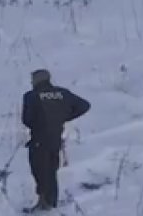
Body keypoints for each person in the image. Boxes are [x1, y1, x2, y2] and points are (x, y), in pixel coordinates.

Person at [21, 70, 90, 212]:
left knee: (39, 169)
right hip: (55, 138)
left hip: (39, 138)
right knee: (51, 170)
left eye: (32, 79)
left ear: (37, 80)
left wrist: (39, 123)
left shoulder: (31, 96)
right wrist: (63, 117)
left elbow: (27, 120)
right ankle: (51, 202)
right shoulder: (62, 93)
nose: (31, 82)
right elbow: (84, 105)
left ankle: (43, 203)